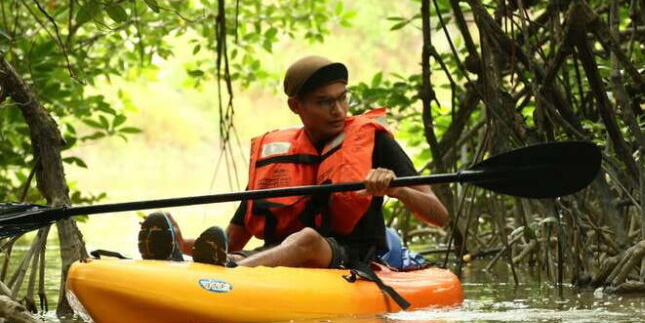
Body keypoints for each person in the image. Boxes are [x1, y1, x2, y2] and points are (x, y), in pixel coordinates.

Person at [138, 55, 449, 269]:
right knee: (244, 251)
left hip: (348, 257)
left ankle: (231, 273)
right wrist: (185, 243)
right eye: (325, 102)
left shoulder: (375, 141)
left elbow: (439, 216)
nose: (339, 110)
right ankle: (179, 259)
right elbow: (231, 239)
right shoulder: (277, 154)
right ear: (295, 105)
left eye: (342, 98)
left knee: (307, 239)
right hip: (271, 257)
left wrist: (398, 190)